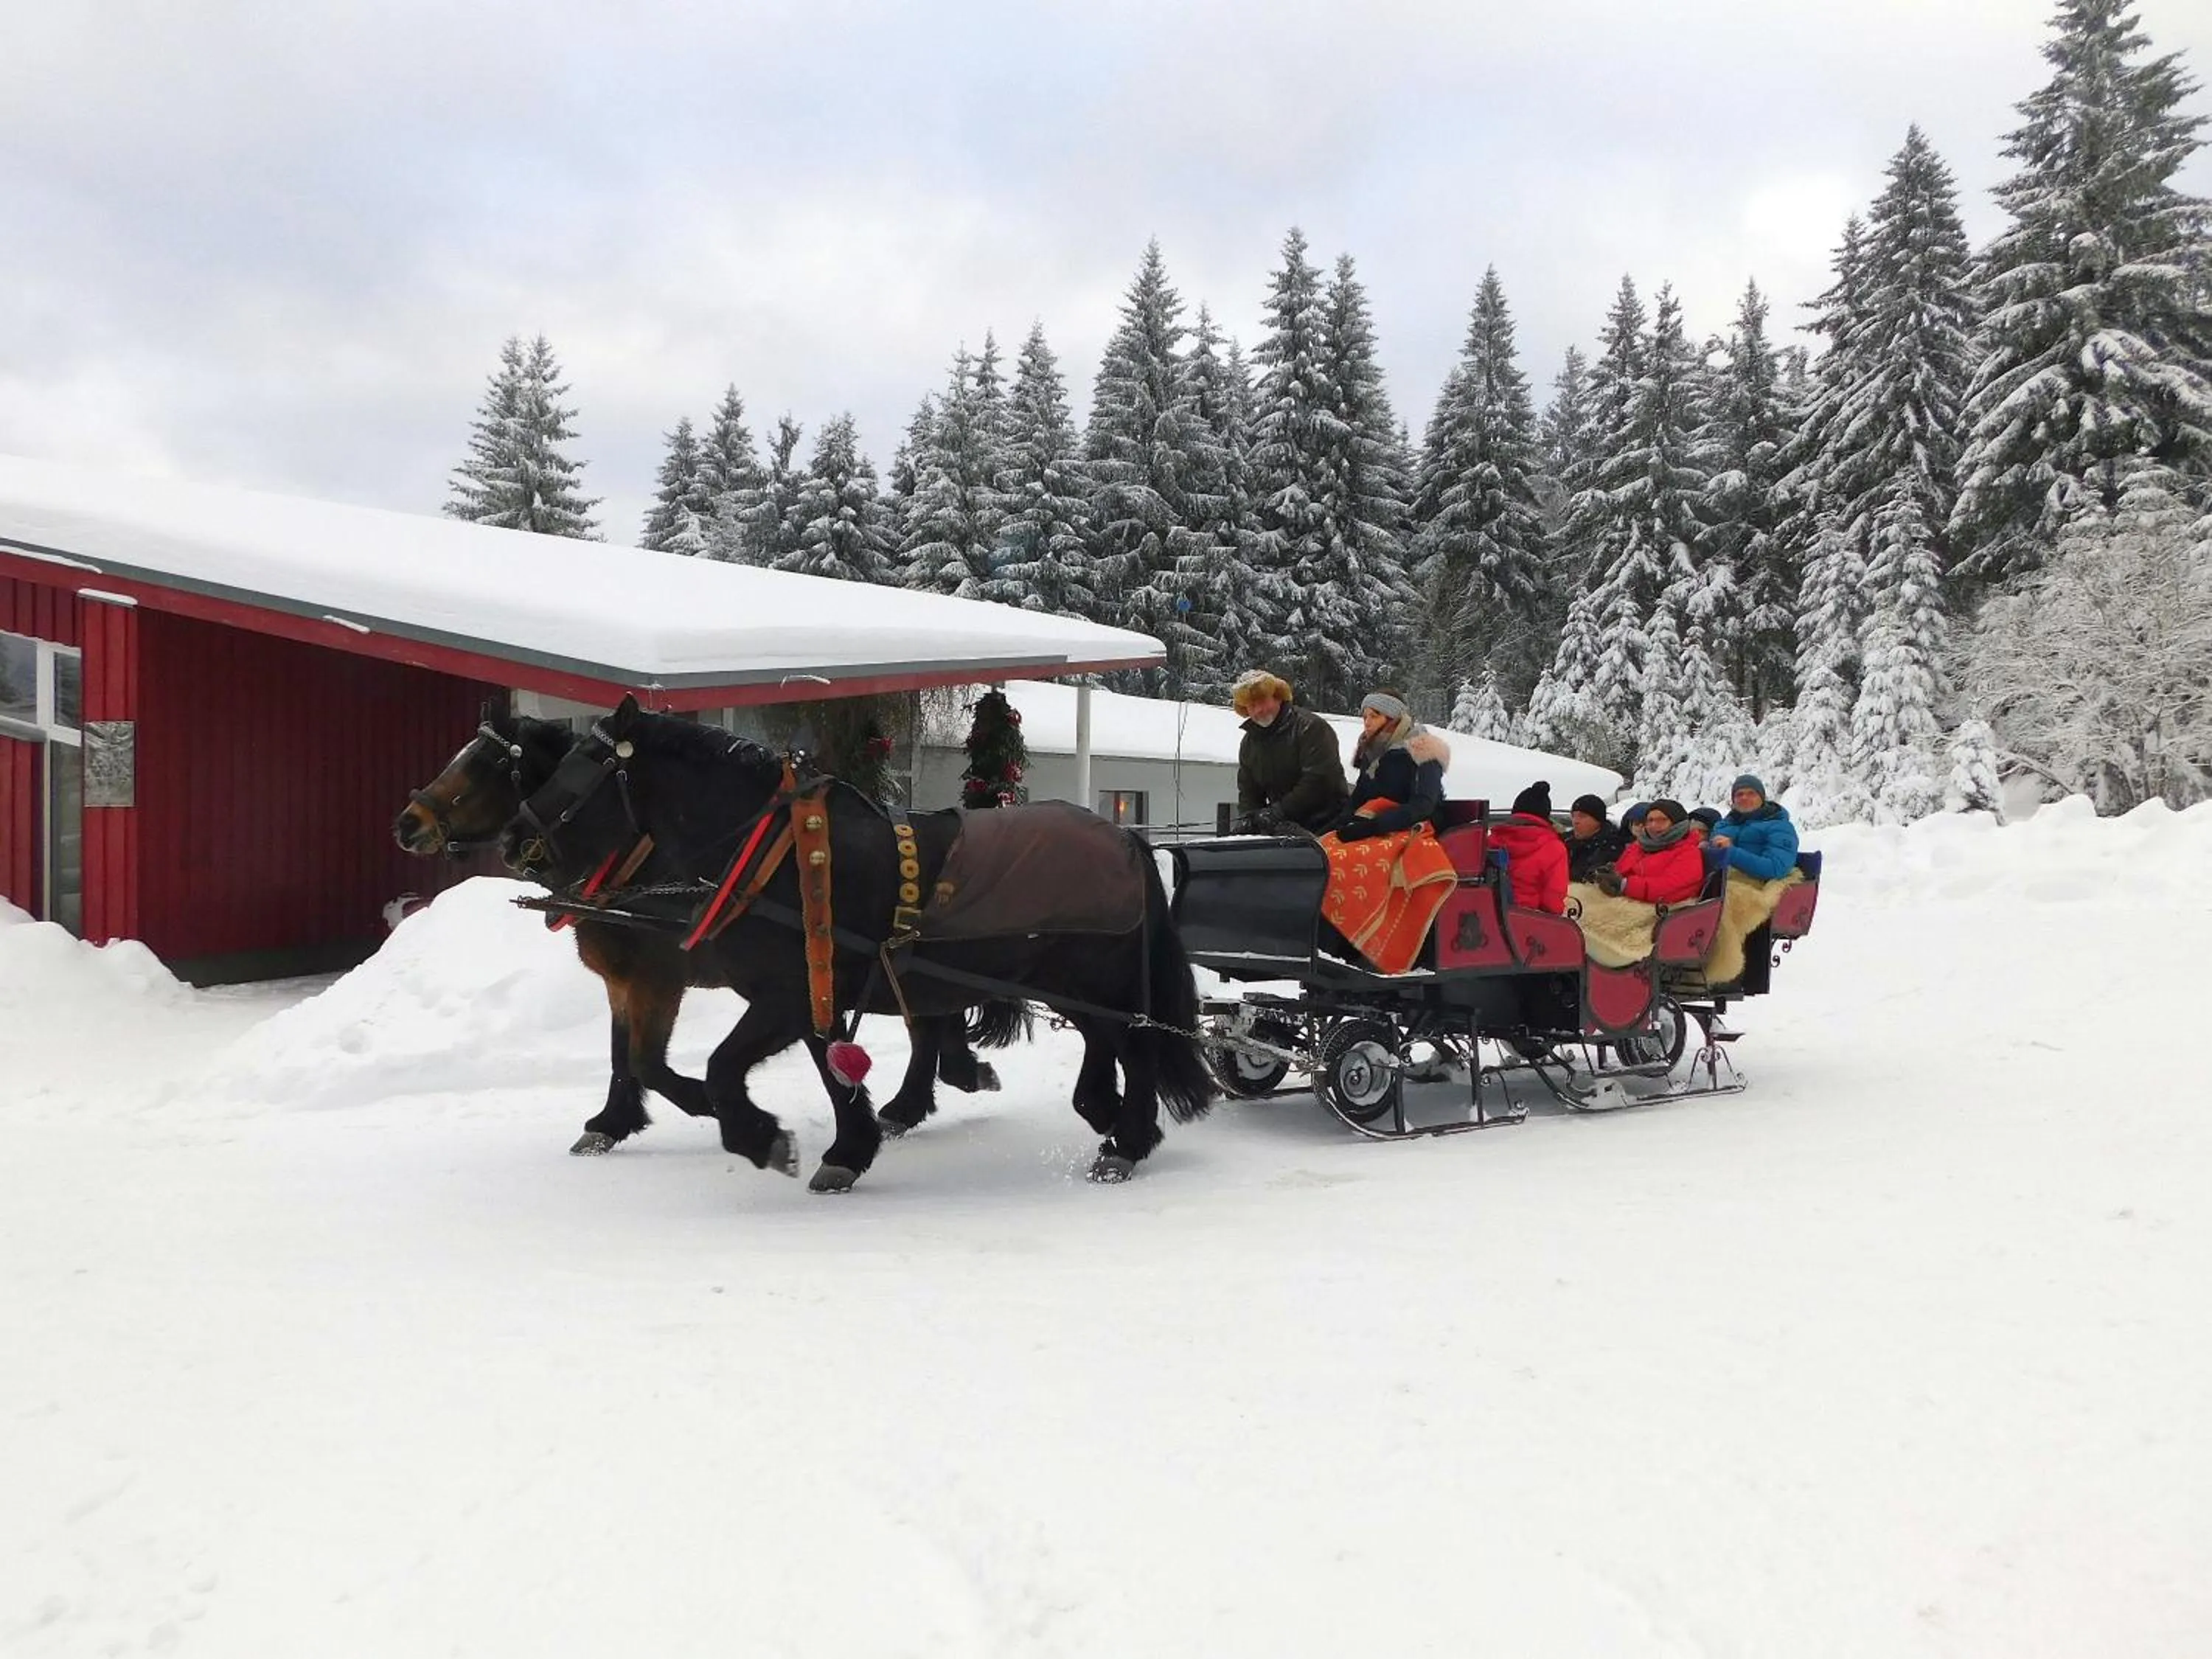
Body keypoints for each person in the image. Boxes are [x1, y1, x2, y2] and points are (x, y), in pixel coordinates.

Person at [1231, 670, 1349, 833]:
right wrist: (1249, 819)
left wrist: (1278, 812)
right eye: (1251, 706)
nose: (1258, 710)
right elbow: (1248, 790)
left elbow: (1319, 781)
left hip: (1328, 825)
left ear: (1278, 697)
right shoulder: (1249, 743)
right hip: (1283, 828)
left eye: (1262, 701)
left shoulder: (1311, 728)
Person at [1335, 689, 1450, 840]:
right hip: (1374, 827)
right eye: (1365, 717)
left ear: (1394, 719)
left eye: (1374, 716)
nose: (1367, 723)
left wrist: (1374, 827)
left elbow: (1423, 805)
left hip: (1415, 832)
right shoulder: (1372, 752)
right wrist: (1341, 823)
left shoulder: (1422, 749)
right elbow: (1359, 797)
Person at [1592, 799, 1704, 905]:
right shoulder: (1639, 846)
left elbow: (1670, 889)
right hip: (1628, 902)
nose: (1653, 826)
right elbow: (1623, 870)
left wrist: (1625, 885)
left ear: (1677, 823)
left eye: (1662, 820)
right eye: (1650, 820)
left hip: (1664, 910)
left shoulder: (1689, 852)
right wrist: (1610, 872)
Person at [1489, 781, 1568, 914]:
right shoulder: (1554, 848)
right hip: (1528, 920)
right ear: (1546, 816)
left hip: (1488, 915)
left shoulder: (1491, 840)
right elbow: (1553, 901)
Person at [1710, 774, 1801, 880]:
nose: (1744, 798)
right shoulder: (1723, 825)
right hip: (1717, 880)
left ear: (1762, 798)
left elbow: (1776, 868)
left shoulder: (1780, 827)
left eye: (1751, 793)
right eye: (1739, 794)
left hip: (1756, 885)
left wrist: (1731, 852)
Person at [1565, 792, 1628, 883]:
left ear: (1598, 821)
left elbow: (1591, 878)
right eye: (1573, 816)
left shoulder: (1611, 847)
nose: (1575, 821)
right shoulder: (1566, 840)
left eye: (1582, 816)